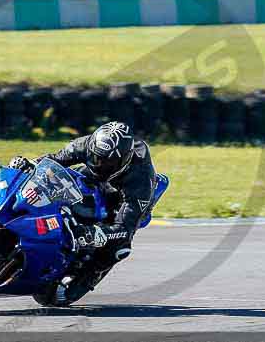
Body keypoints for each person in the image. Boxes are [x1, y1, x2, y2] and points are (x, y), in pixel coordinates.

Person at [8, 121, 157, 303]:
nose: (99, 163)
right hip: (89, 177)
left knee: (120, 247)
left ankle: (89, 276)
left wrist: (96, 232)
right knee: (55, 181)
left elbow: (124, 227)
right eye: (95, 157)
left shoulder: (141, 180)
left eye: (105, 162)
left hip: (122, 196)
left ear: (123, 160)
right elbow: (53, 160)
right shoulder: (86, 144)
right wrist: (29, 164)